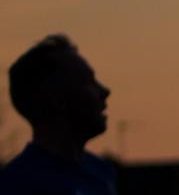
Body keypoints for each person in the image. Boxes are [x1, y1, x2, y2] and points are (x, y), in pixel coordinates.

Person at [0, 35, 116, 195]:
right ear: (56, 99)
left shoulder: (102, 173)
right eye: (88, 81)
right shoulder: (17, 185)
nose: (104, 91)